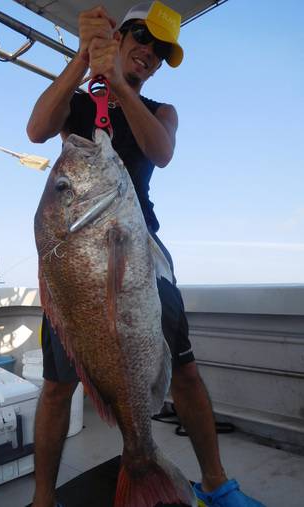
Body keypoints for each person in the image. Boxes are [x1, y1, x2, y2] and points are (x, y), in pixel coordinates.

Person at [27, 2, 266, 507]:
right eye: (144, 41)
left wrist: (117, 84)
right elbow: (36, 129)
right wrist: (82, 59)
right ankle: (43, 501)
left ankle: (217, 484)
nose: (151, 55)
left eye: (162, 52)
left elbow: (161, 151)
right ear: (123, 35)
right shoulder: (78, 103)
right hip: (82, 260)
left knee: (186, 372)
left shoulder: (160, 111)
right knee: (55, 386)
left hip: (143, 254)